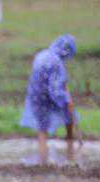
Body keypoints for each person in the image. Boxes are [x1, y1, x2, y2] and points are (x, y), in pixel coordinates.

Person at [20, 34, 79, 164]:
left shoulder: (42, 55)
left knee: (42, 130)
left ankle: (42, 161)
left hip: (35, 96)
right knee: (68, 114)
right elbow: (56, 88)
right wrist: (66, 101)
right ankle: (70, 149)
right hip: (47, 95)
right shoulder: (56, 63)